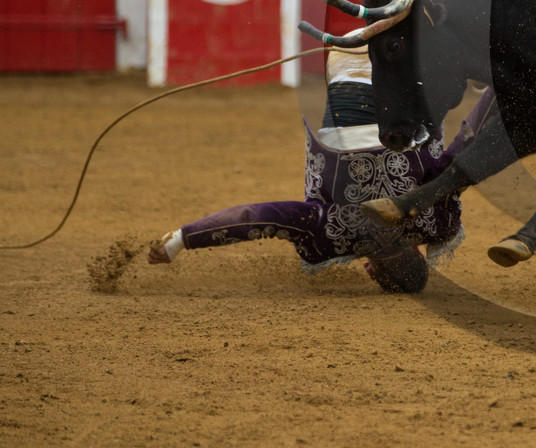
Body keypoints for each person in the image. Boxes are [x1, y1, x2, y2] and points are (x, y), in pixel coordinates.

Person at [146, 43, 495, 293]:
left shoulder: (435, 222)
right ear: (374, 273)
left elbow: (467, 144)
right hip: (345, 95)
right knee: (356, 44)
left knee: (405, 33)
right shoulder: (332, 237)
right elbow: (260, 217)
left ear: (418, 252)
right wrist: (180, 241)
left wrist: (498, 86)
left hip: (405, 97)